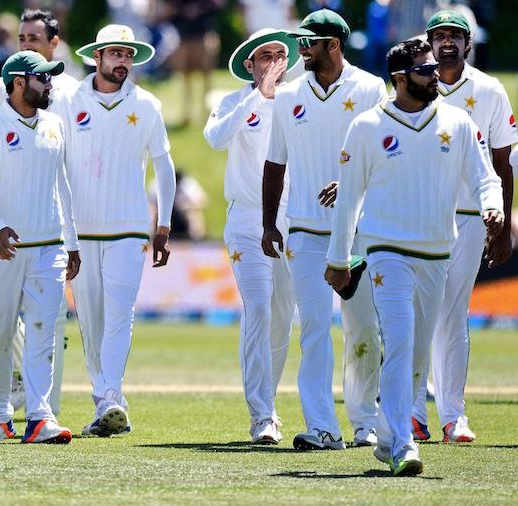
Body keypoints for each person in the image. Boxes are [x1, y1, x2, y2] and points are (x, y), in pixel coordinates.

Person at [326, 38, 503, 476]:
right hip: (387, 250)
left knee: (419, 355)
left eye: (435, 68)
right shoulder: (367, 126)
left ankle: (387, 439)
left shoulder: (458, 122)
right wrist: (338, 257)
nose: (437, 76)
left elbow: (486, 177)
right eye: (426, 71)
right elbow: (348, 199)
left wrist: (493, 205)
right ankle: (404, 445)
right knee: (401, 343)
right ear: (400, 79)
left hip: (437, 251)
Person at [261, 9, 387, 450]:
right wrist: (267, 223)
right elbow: (275, 163)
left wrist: (352, 183)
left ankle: (366, 422)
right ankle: (322, 427)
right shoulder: (288, 94)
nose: (300, 49)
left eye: (308, 43)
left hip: (358, 231)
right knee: (313, 326)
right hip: (304, 231)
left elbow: (386, 158)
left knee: (363, 328)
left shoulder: (371, 88)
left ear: (333, 44)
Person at [410, 10, 518, 444]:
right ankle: (414, 412)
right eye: (440, 37)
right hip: (419, 215)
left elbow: (503, 161)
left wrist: (505, 222)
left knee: (452, 315)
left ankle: (454, 416)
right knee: (418, 314)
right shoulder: (415, 83)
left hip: (471, 216)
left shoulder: (490, 90)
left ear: (469, 44)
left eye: (456, 36)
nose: (448, 43)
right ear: (430, 43)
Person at [63, 24, 176, 437]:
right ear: (97, 57)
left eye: (128, 54)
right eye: (115, 53)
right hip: (82, 230)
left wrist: (163, 223)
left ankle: (111, 395)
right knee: (91, 322)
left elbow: (163, 165)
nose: (122, 61)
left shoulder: (147, 104)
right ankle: (105, 401)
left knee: (119, 316)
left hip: (128, 228)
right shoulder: (70, 99)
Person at [0, 50, 80, 444]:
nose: (49, 85)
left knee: (43, 332)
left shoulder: (54, 124)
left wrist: (71, 241)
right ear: (18, 82)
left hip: (48, 246)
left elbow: (63, 186)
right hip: (2, 249)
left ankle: (40, 416)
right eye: (42, 79)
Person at [203, 28, 299, 444]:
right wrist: (257, 96)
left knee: (282, 318)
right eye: (266, 56)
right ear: (250, 64)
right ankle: (261, 413)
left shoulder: (300, 100)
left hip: (294, 220)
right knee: (258, 308)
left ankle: (270, 401)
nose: (275, 62)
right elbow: (214, 138)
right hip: (246, 221)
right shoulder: (233, 101)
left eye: (281, 55)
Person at [0, 9, 78, 112]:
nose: (26, 46)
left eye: (34, 39)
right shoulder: (1, 86)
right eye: (21, 39)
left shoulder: (72, 90)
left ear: (53, 43)